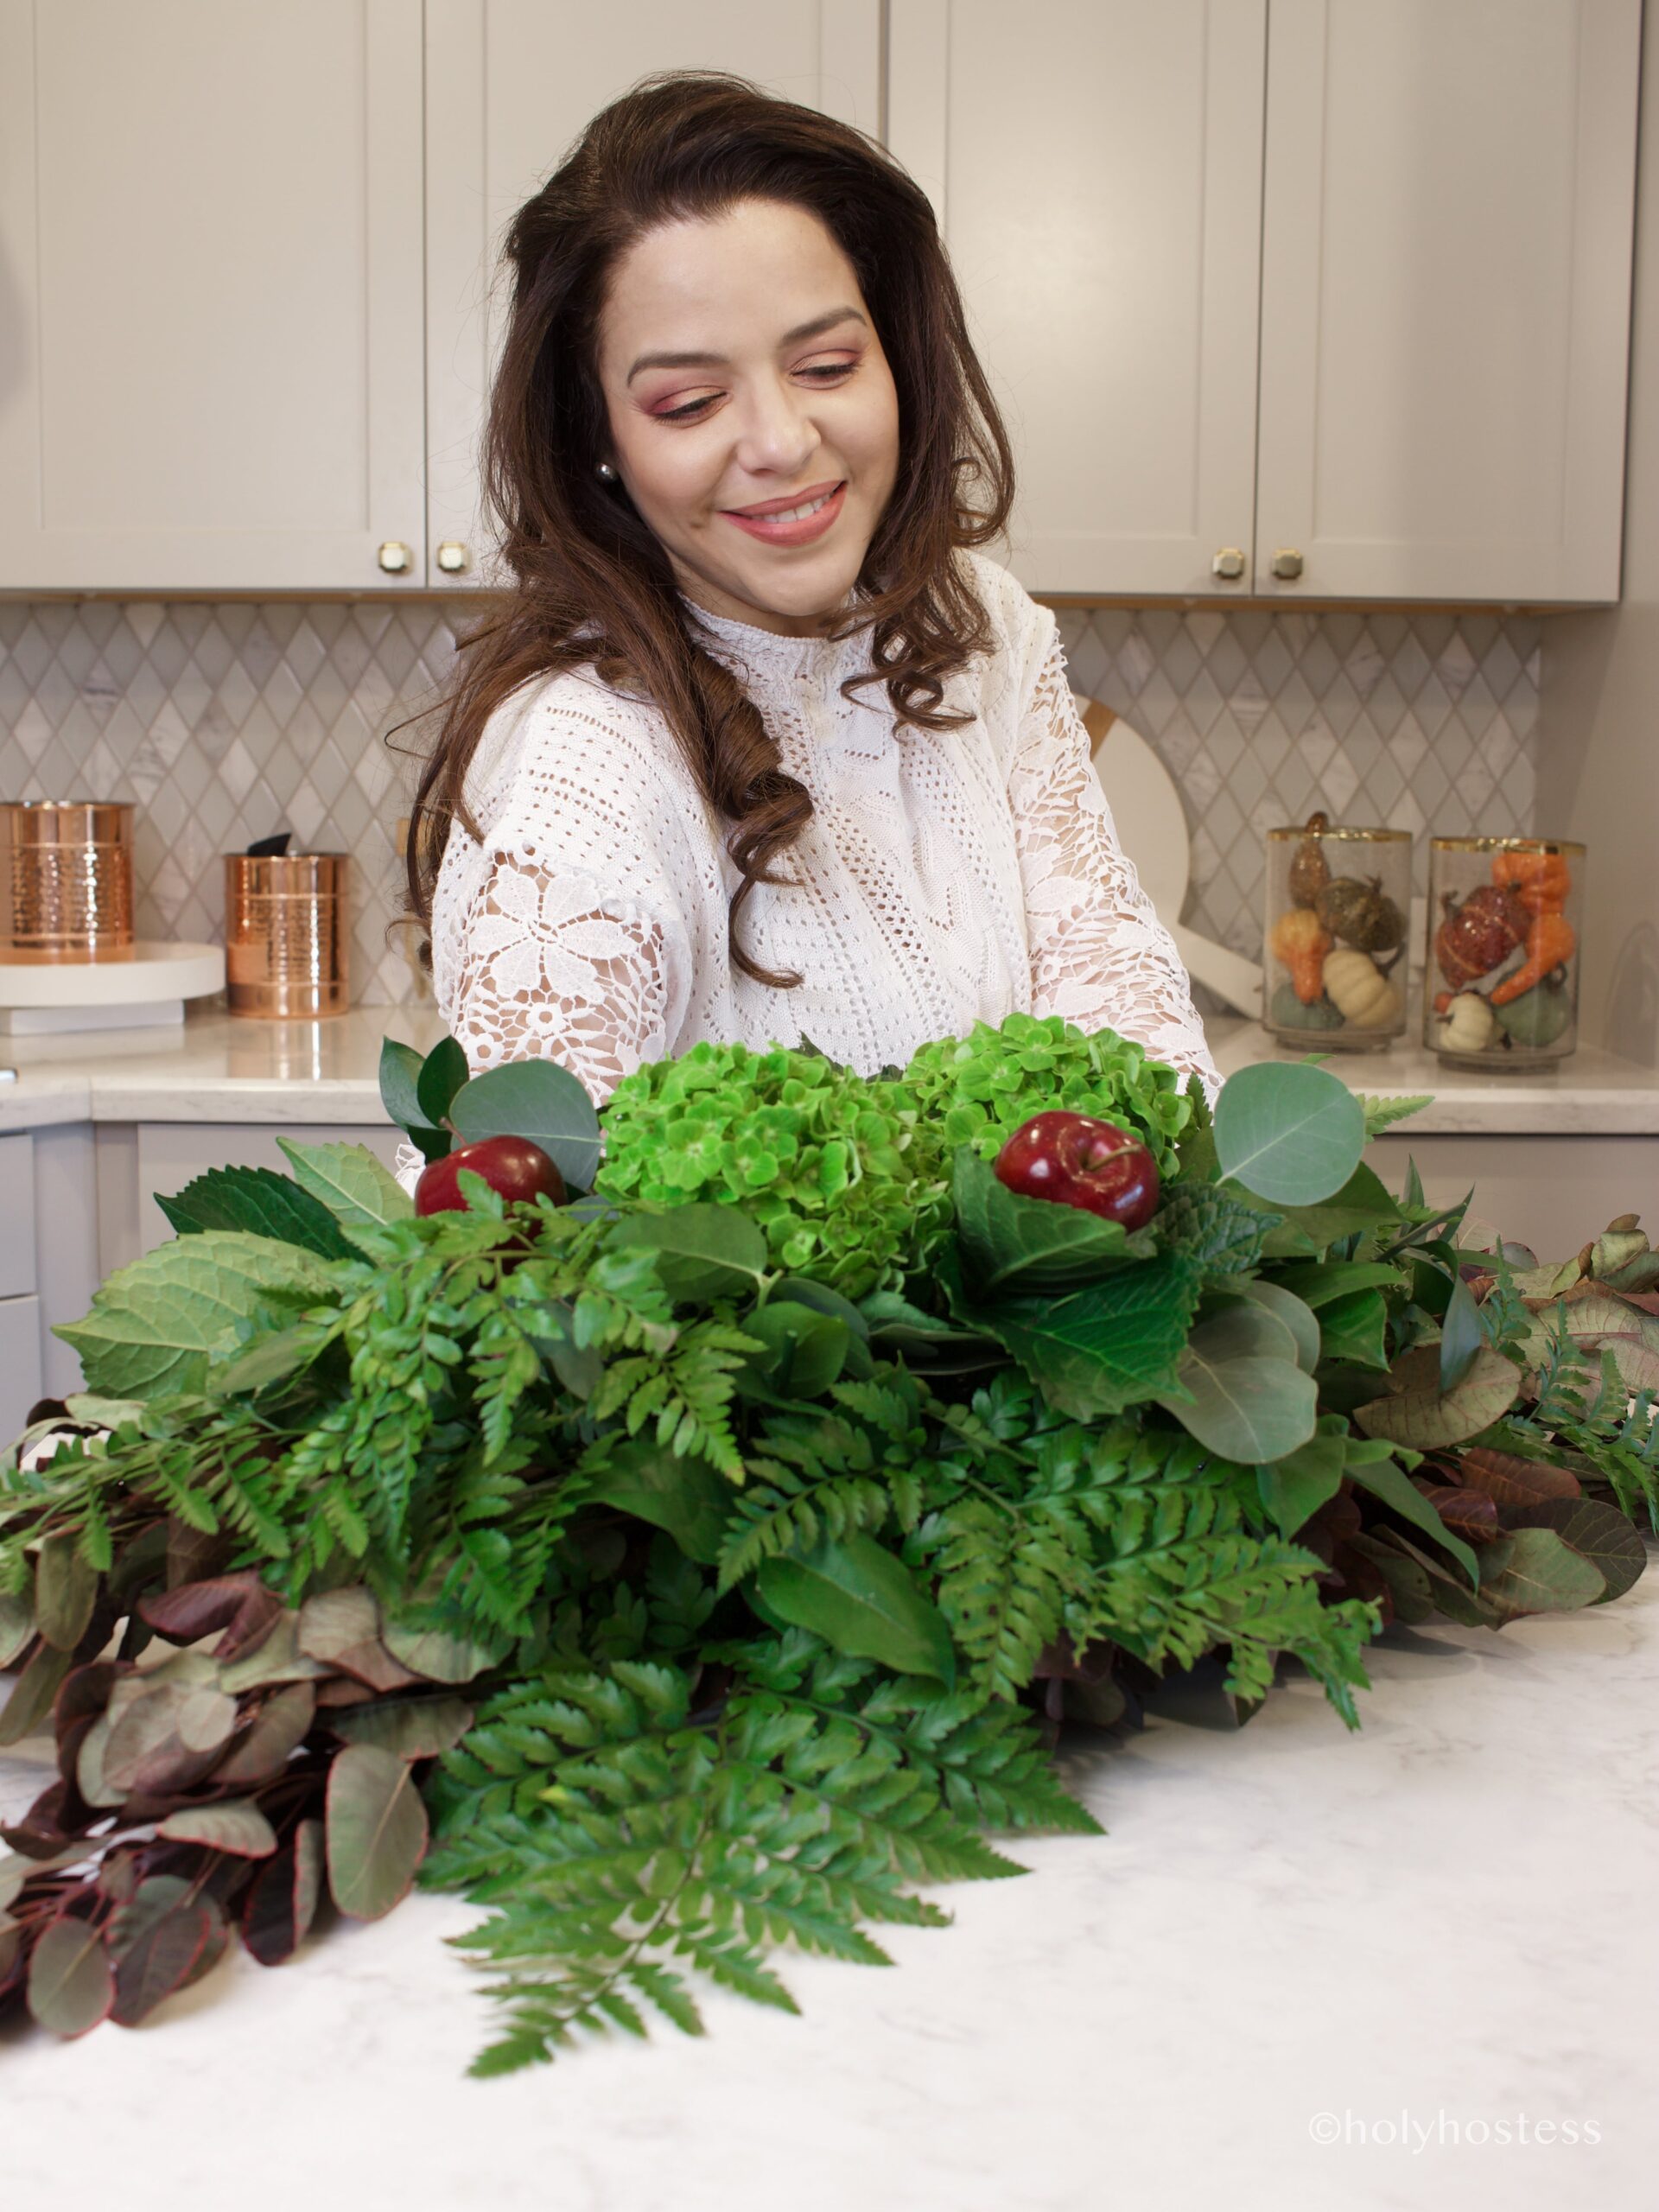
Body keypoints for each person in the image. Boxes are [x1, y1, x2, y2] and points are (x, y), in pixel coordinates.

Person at [404, 70, 1221, 1116]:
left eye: (828, 365)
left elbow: (1123, 1019)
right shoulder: (583, 760)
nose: (784, 443)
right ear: (596, 436)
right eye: (691, 401)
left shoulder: (977, 625)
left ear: (898, 360)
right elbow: (522, 1239)